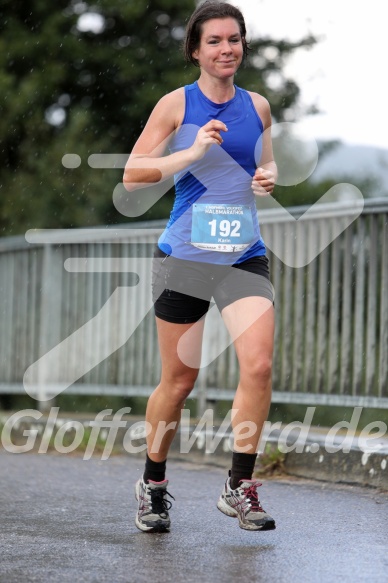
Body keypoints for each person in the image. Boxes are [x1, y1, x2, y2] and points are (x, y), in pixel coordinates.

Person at [123, 0, 277, 533]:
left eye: (233, 39)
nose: (226, 48)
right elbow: (133, 175)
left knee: (257, 366)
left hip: (243, 255)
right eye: (214, 40)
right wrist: (187, 156)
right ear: (195, 50)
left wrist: (267, 176)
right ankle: (154, 485)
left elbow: (265, 159)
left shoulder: (257, 106)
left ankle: (239, 486)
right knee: (179, 380)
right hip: (185, 256)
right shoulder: (175, 104)